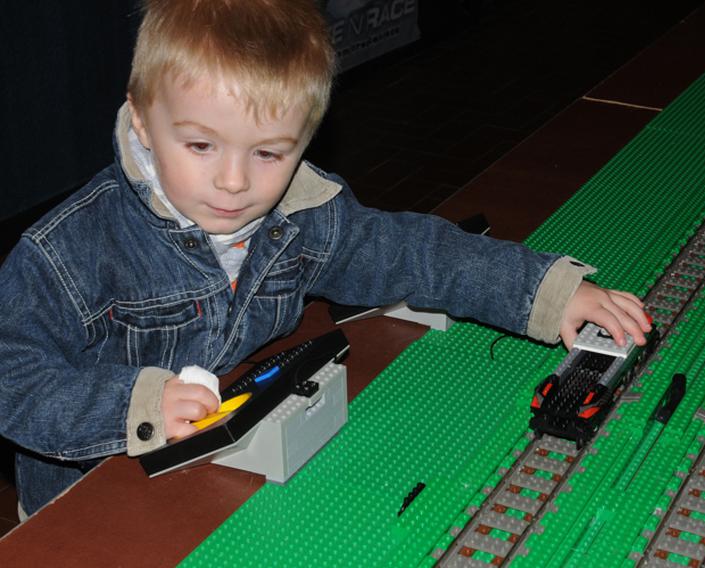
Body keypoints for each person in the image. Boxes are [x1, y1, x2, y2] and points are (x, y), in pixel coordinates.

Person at [0, 0, 651, 516]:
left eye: (269, 153)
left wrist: (547, 292)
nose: (234, 182)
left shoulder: (304, 217)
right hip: (90, 501)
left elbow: (413, 254)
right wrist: (135, 408)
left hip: (214, 477)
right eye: (201, 146)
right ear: (140, 122)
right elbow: (13, 378)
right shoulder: (71, 251)